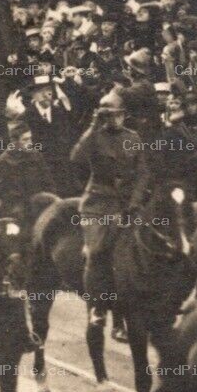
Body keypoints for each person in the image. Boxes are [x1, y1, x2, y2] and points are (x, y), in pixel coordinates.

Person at [70, 91, 149, 325]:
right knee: (96, 252)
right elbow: (77, 158)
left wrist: (135, 201)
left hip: (126, 204)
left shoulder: (133, 137)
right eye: (110, 115)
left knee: (145, 247)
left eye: (119, 115)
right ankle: (97, 305)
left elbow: (143, 172)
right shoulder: (94, 136)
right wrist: (94, 125)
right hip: (97, 205)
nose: (116, 119)